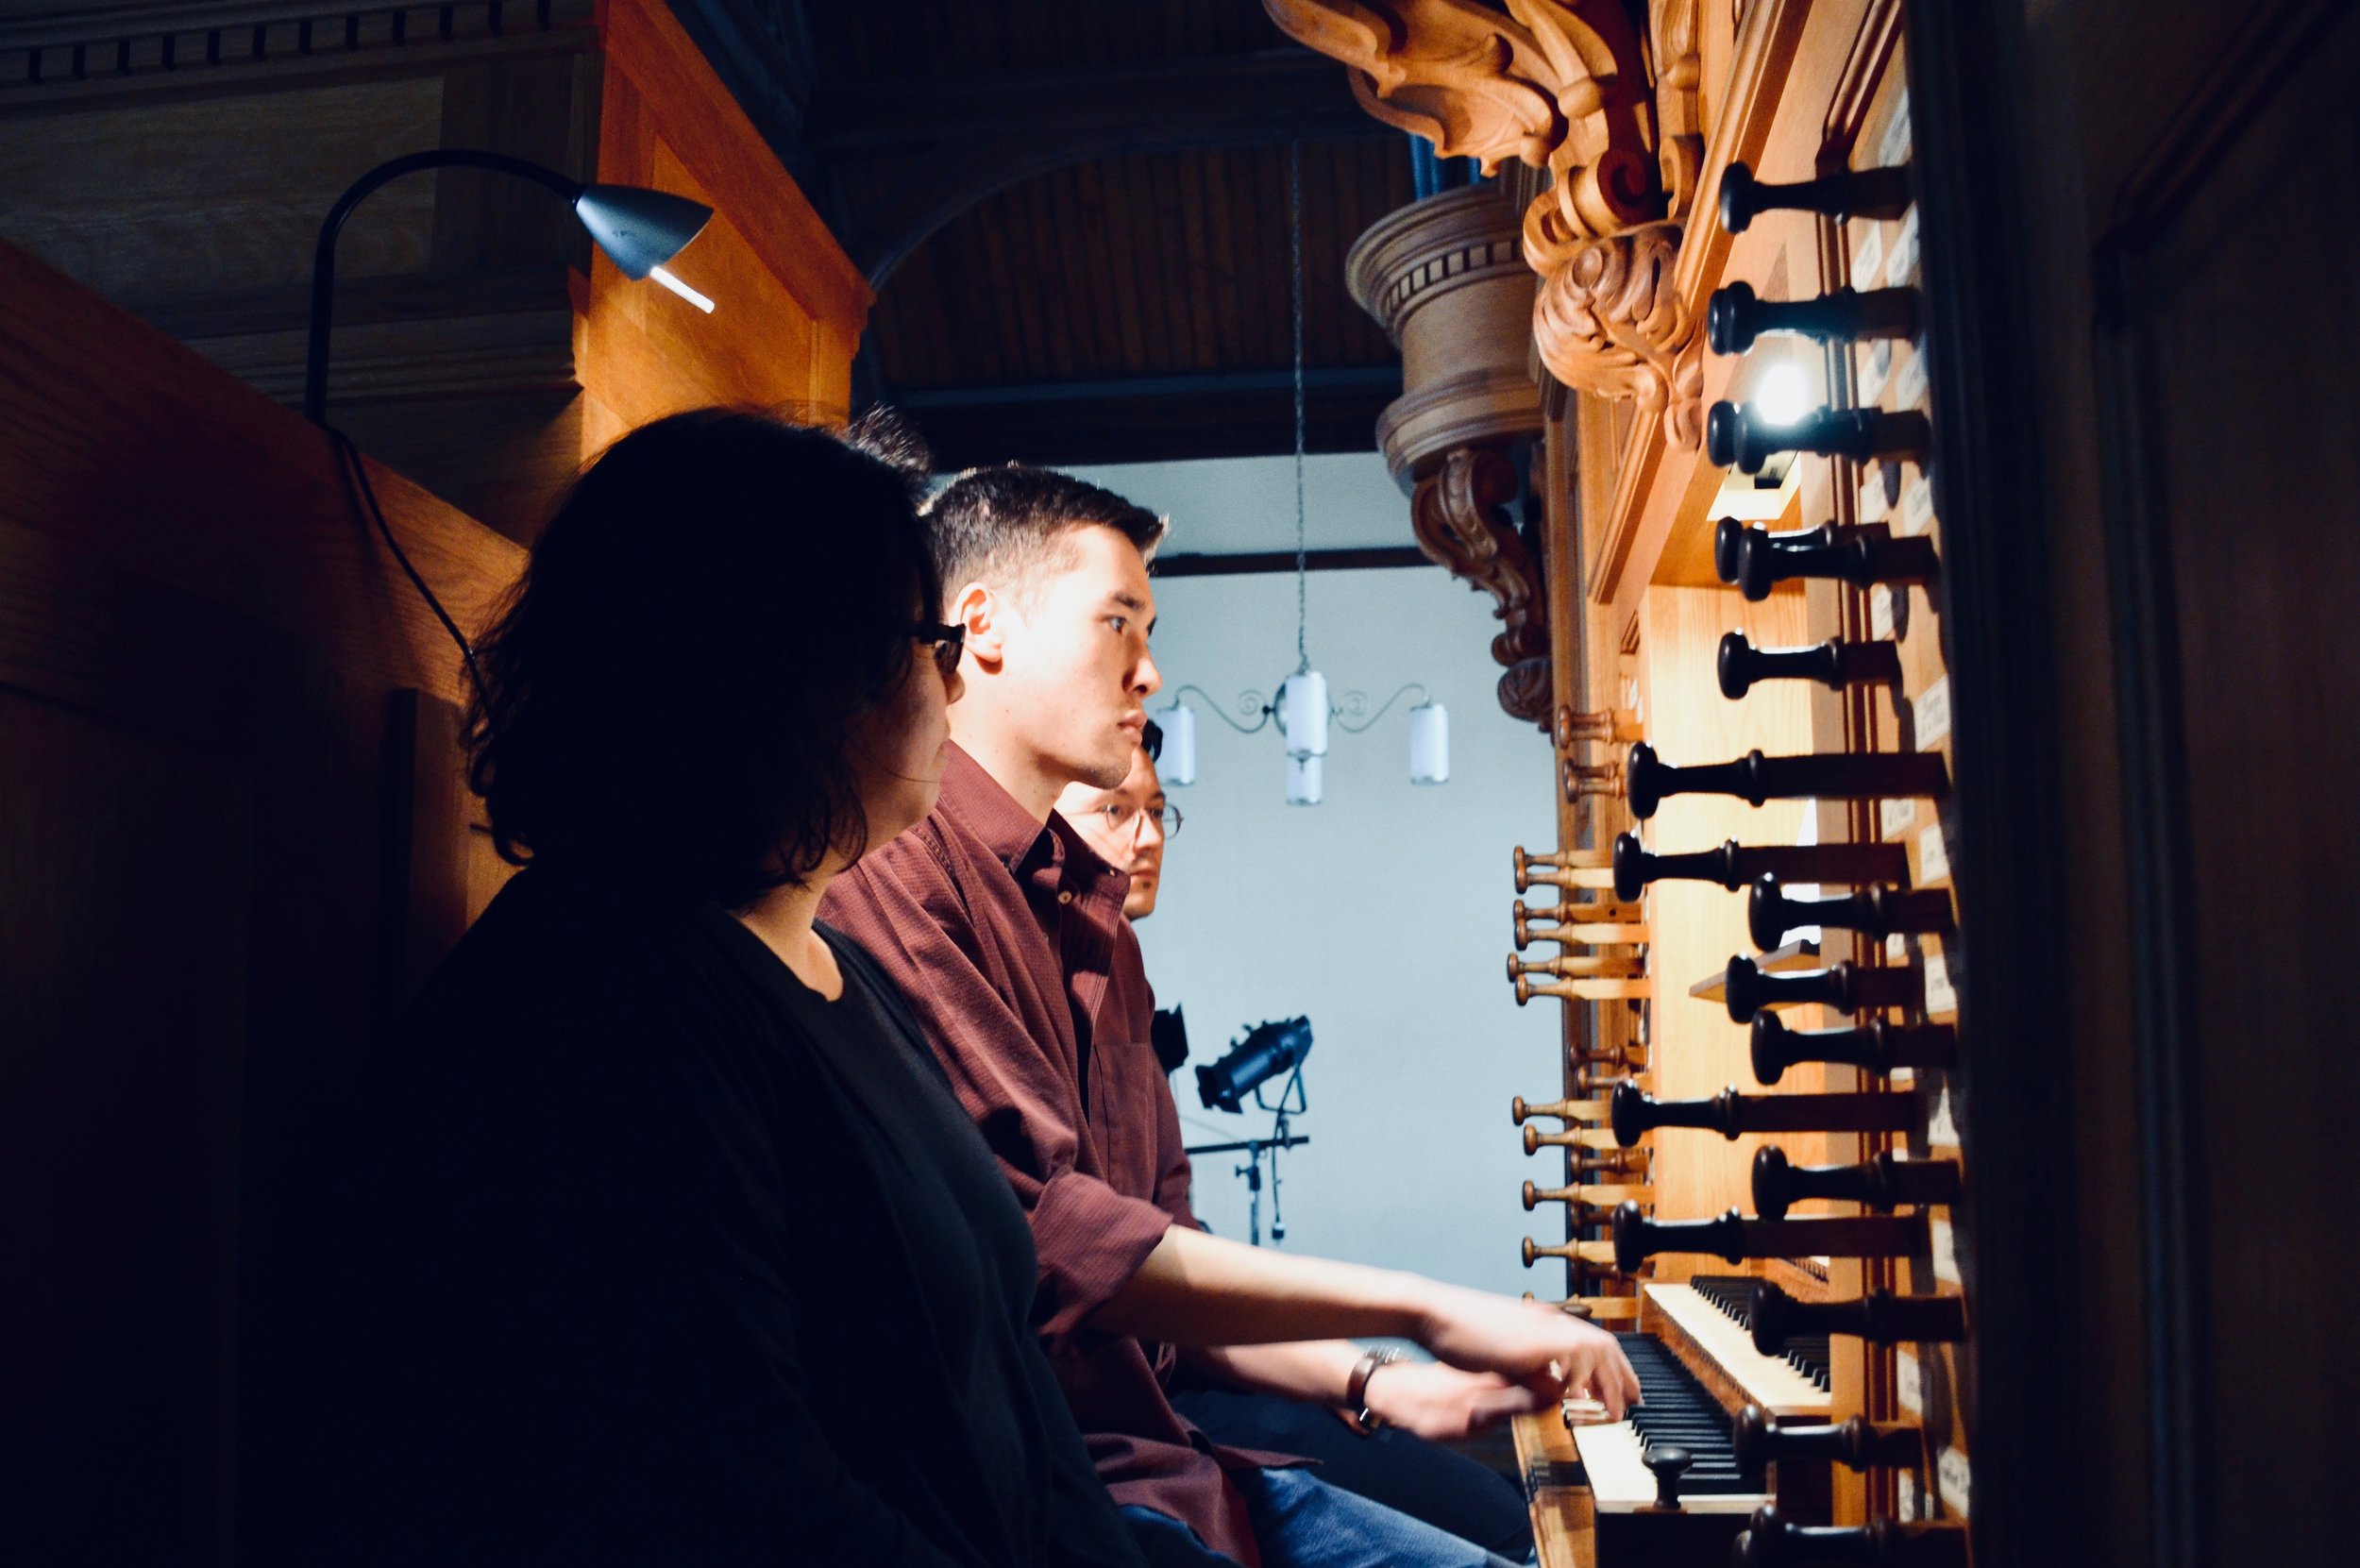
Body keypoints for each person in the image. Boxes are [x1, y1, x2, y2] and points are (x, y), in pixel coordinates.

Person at [291, 412, 1146, 1567]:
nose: (952, 683)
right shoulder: (603, 1006)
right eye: (924, 644)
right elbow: (741, 1498)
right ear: (794, 672)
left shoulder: (829, 964)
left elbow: (1011, 1393)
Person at [823, 463, 1639, 1568]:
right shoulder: (900, 869)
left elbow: (1165, 1247)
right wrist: (1426, 1309)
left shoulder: (1097, 925)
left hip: (1177, 1460)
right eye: (1118, 622)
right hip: (1053, 1501)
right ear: (984, 627)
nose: (1149, 672)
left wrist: (1381, 1376)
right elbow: (1057, 1241)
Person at [1054, 736, 1538, 1563]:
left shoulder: (1128, 978)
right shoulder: (1028, 977)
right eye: (1115, 811)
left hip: (1185, 1384)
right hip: (1116, 1434)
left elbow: (1184, 1269)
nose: (1147, 837)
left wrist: (1374, 1377)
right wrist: (1408, 1325)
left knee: (1505, 1513)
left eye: (1160, 812)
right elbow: (1103, 1268)